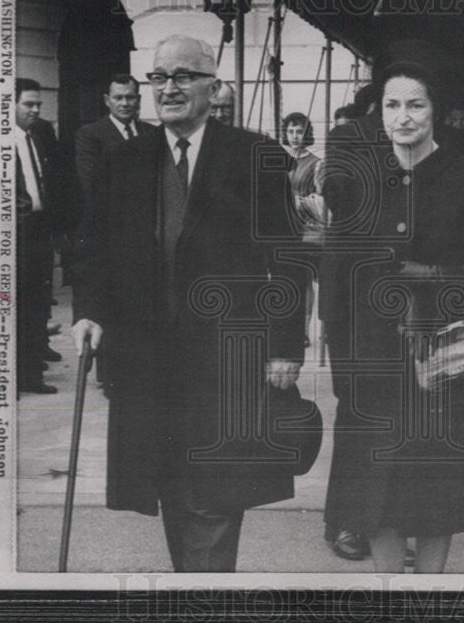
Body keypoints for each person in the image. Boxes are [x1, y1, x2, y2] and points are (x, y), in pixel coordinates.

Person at [72, 35, 304, 572]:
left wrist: (285, 345)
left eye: (182, 76)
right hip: (148, 358)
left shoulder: (254, 155)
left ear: (212, 86)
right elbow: (94, 246)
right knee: (171, 484)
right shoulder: (126, 160)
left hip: (226, 356)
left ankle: (207, 604)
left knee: (215, 492)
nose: (168, 89)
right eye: (158, 77)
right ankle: (194, 587)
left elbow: (288, 259)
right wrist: (89, 310)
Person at [321, 59, 464, 573]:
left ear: (436, 112)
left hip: (447, 358)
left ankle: (430, 594)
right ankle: (392, 599)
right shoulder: (357, 182)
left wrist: (432, 278)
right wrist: (340, 351)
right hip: (375, 358)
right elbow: (338, 270)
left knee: (440, 491)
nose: (404, 117)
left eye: (416, 104)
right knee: (379, 491)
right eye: (392, 105)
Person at [73, 74, 156, 387]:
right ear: (107, 100)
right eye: (119, 98)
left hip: (146, 235)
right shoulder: (91, 135)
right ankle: (110, 375)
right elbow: (92, 184)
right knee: (108, 301)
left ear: (139, 100)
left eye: (131, 97)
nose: (125, 104)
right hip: (108, 233)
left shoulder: (151, 133)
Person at [14, 77, 73, 394]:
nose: (36, 110)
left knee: (38, 302)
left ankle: (33, 370)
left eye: (38, 104)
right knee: (21, 305)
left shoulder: (35, 137)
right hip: (16, 235)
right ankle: (23, 374)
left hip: (39, 230)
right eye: (29, 104)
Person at [281, 112, 325, 347]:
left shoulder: (316, 163)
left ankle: (304, 330)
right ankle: (288, 326)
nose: (295, 136)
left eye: (299, 131)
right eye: (291, 131)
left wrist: (300, 202)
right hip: (285, 228)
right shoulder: (281, 159)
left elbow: (322, 198)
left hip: (308, 229)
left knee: (306, 279)